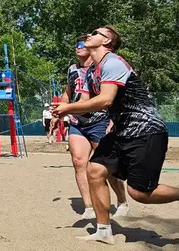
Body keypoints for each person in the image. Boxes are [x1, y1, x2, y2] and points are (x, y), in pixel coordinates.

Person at [52, 26, 179, 244]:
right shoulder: (92, 70)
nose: (88, 35)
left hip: (146, 129)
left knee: (140, 193)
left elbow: (105, 100)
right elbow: (84, 104)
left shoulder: (112, 62)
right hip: (121, 130)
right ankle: (104, 230)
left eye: (95, 33)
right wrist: (62, 109)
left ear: (106, 42)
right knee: (94, 171)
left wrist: (68, 109)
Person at [62, 36, 128, 220]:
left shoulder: (103, 67)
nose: (78, 47)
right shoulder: (73, 69)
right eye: (76, 45)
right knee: (78, 161)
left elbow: (113, 98)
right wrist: (60, 109)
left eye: (82, 45)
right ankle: (89, 207)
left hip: (101, 120)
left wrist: (114, 121)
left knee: (104, 165)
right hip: (78, 121)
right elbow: (68, 93)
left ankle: (122, 200)